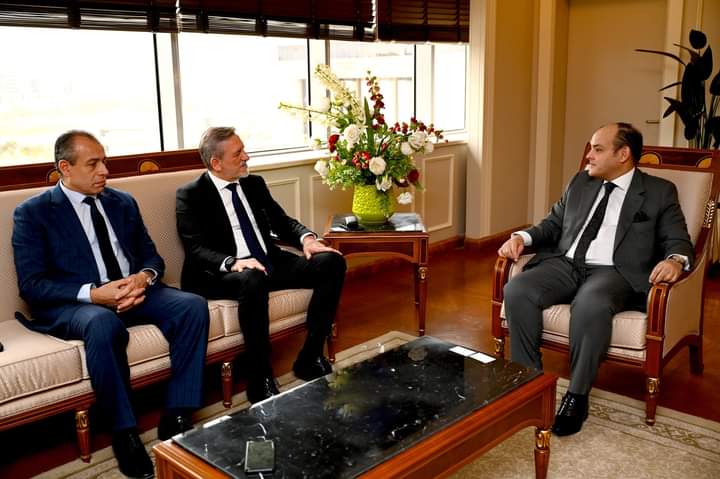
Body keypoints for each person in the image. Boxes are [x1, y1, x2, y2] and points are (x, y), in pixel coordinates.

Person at [12, 131, 209, 479]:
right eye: (93, 164)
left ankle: (178, 413)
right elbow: (32, 285)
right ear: (65, 168)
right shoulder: (33, 213)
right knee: (102, 324)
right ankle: (125, 434)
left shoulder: (122, 202)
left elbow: (151, 256)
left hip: (130, 290)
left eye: (104, 161)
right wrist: (93, 294)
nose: (105, 170)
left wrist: (142, 278)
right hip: (77, 303)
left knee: (192, 306)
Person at [498, 122, 693, 436]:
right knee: (518, 289)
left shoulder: (659, 191)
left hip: (615, 272)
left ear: (623, 154)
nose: (588, 155)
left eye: (597, 149)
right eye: (590, 148)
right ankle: (529, 384)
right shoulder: (580, 182)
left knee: (591, 305)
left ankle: (577, 397)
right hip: (567, 263)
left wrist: (674, 260)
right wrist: (522, 237)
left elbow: (678, 239)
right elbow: (552, 224)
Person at [176, 126, 346, 404]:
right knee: (252, 278)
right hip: (220, 274)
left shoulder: (253, 184)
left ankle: (310, 356)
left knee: (331, 261)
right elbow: (196, 249)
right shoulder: (191, 194)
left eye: (244, 150)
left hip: (268, 263)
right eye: (238, 153)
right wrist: (234, 262)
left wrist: (307, 239)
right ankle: (260, 377)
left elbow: (282, 221)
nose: (246, 157)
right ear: (216, 163)